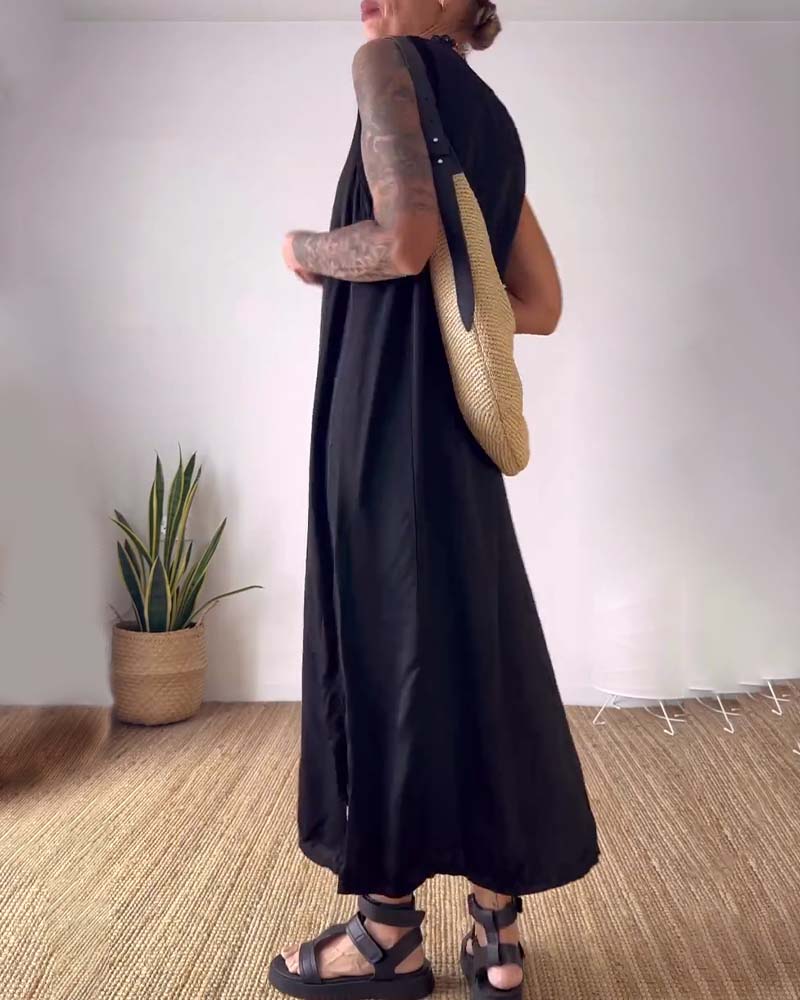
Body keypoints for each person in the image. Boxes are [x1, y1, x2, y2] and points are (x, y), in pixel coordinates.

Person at [270, 2, 600, 998]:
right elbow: (539, 304)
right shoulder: (491, 121)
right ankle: (496, 931)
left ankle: (384, 935)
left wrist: (306, 250)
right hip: (456, 429)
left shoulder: (386, 68)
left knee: (381, 643)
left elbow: (405, 242)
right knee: (471, 640)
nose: (364, 2)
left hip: (382, 416)